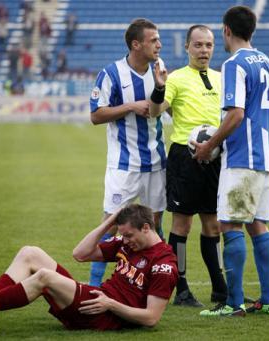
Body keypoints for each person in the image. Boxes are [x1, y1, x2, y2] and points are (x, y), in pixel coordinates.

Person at [0, 204, 178, 331]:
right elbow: (79, 254)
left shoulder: (164, 263)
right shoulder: (128, 244)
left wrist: (110, 304)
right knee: (30, 253)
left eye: (128, 235)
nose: (124, 241)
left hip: (102, 314)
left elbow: (151, 318)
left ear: (147, 228)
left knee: (44, 277)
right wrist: (110, 222)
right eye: (121, 235)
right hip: (95, 302)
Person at [193, 6, 269, 317]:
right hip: (268, 155)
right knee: (257, 224)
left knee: (228, 223)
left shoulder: (234, 64)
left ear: (226, 30)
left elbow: (236, 114)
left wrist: (208, 146)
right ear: (252, 31)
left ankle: (233, 303)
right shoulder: (268, 63)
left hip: (244, 157)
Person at [149, 25, 227, 307]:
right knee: (182, 224)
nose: (204, 50)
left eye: (208, 45)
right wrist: (159, 88)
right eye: (198, 45)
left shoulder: (222, 78)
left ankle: (220, 289)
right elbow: (157, 110)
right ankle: (181, 289)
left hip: (216, 157)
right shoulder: (176, 79)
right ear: (186, 47)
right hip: (185, 157)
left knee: (214, 224)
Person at [89, 18, 167, 287]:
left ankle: (156, 281)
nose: (159, 44)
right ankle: (95, 285)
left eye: (158, 39)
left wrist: (161, 90)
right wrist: (130, 106)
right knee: (111, 224)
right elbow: (96, 115)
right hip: (124, 165)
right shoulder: (111, 74)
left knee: (154, 225)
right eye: (153, 39)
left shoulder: (162, 72)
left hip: (157, 163)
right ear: (136, 44)